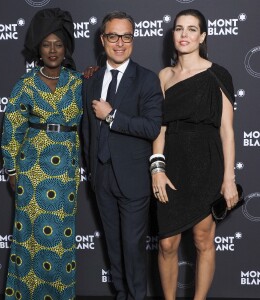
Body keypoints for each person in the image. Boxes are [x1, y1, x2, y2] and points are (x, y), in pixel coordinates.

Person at [151, 9, 238, 300]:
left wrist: (228, 178)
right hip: (171, 162)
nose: (184, 35)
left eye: (191, 29)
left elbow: (226, 130)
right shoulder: (163, 76)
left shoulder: (218, 74)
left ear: (202, 36)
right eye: (179, 29)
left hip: (206, 162)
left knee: (203, 239)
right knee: (167, 244)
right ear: (172, 35)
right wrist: (157, 170)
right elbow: (159, 129)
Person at [1, 8, 82, 300]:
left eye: (58, 44)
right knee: (30, 240)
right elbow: (12, 130)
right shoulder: (24, 86)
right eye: (47, 44)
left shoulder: (78, 84)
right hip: (32, 174)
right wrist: (12, 170)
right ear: (39, 48)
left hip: (66, 175)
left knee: (61, 240)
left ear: (65, 49)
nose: (52, 50)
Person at [82, 11, 163, 300]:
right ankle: (121, 295)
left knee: (132, 247)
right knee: (114, 248)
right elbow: (86, 131)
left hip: (133, 180)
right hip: (101, 178)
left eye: (126, 36)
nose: (120, 43)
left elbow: (152, 127)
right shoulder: (90, 79)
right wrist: (92, 169)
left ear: (133, 39)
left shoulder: (147, 80)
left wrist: (112, 116)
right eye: (113, 36)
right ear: (103, 39)